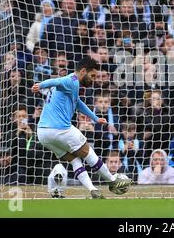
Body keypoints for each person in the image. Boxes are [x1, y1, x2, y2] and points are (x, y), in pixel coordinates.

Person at [31, 57, 132, 198]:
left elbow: (78, 103)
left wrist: (96, 118)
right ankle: (113, 180)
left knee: (74, 160)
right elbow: (56, 81)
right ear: (83, 71)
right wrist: (40, 85)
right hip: (60, 129)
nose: (94, 79)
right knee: (88, 153)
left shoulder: (73, 86)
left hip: (43, 134)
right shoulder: (71, 80)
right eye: (92, 76)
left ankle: (92, 189)